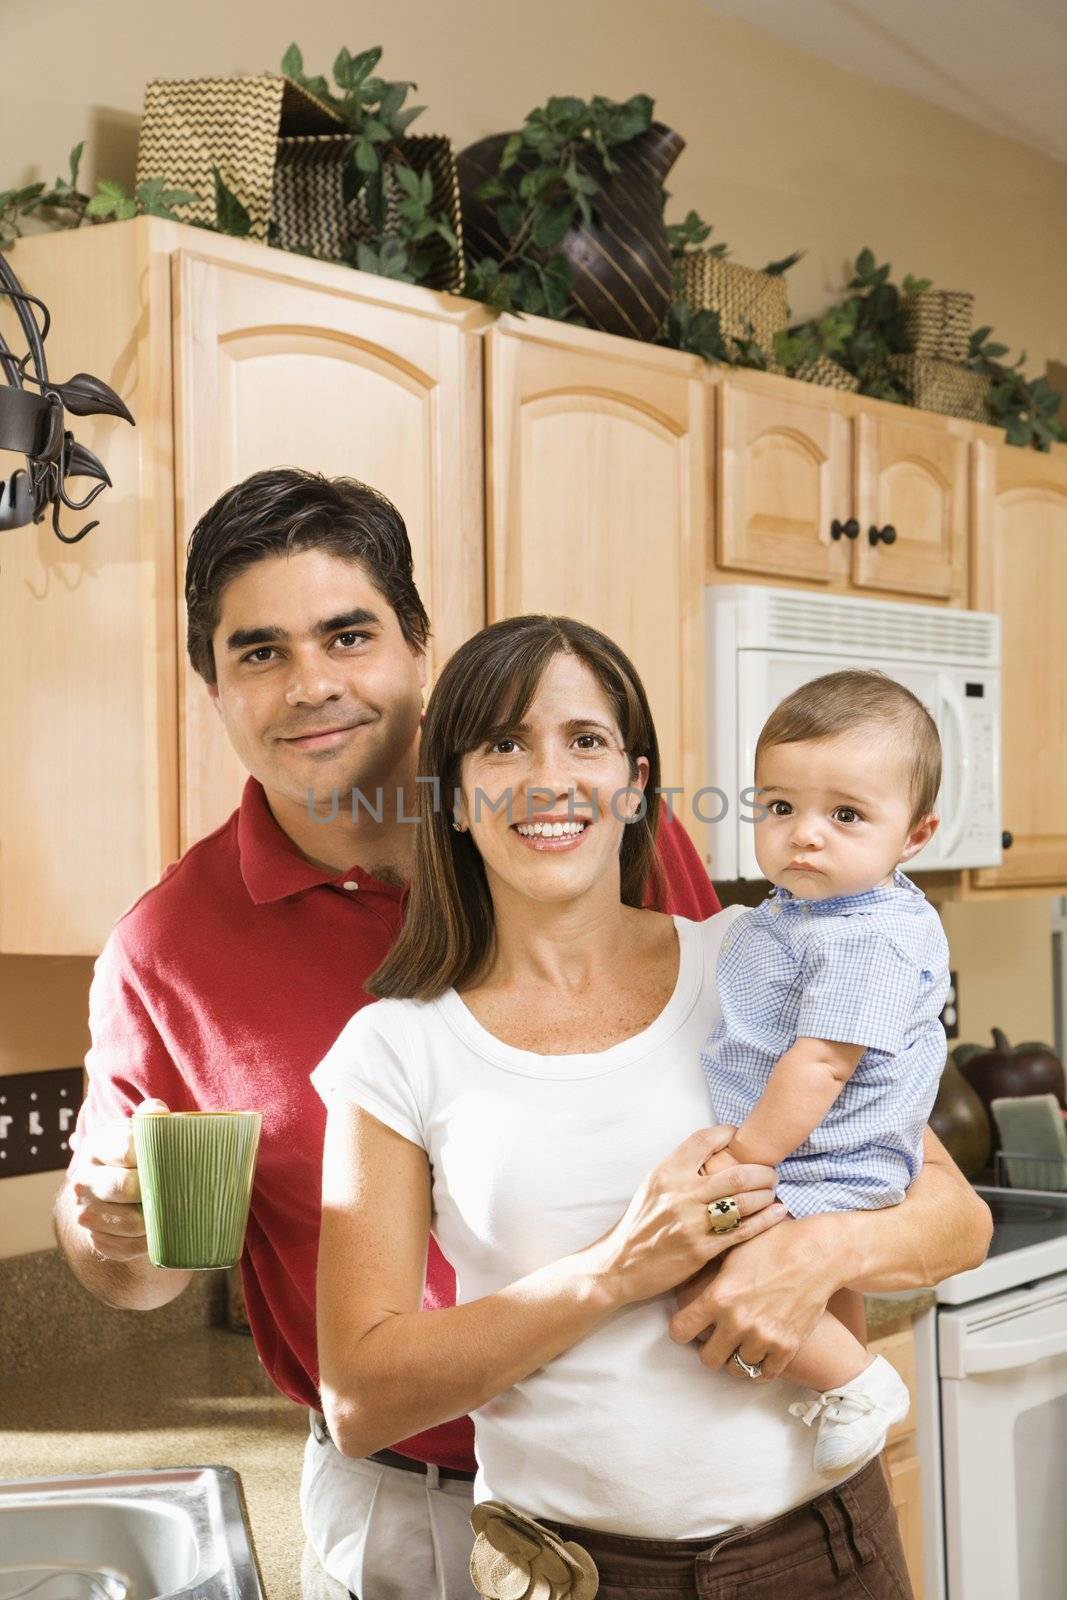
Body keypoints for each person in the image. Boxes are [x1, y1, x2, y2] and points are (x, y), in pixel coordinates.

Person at [52, 469, 725, 1600]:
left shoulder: (600, 836)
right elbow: (141, 1273)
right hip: (409, 1510)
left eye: (347, 634)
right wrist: (105, 1223)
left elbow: (749, 1111)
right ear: (209, 685)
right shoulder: (166, 949)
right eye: (259, 651)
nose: (312, 685)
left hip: (673, 1469)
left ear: (418, 644)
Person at [312, 615, 992, 1600]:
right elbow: (359, 1398)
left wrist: (817, 1253)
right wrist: (615, 1270)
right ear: (453, 797)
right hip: (567, 1574)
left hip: (825, 1554)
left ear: (633, 786)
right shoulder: (395, 1049)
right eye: (503, 743)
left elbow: (954, 1219)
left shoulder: (751, 960)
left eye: (583, 741)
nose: (548, 776)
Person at [698, 669, 950, 1476]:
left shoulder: (862, 936)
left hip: (825, 1156)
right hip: (825, 1151)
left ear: (913, 835)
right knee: (810, 1290)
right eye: (779, 808)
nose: (804, 834)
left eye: (844, 815)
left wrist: (747, 1162)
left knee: (709, 1261)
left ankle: (861, 1385)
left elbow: (819, 1064)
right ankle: (841, 1380)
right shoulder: (815, 910)